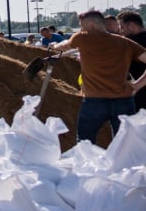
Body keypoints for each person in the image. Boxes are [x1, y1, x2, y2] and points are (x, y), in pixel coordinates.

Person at [51, 10, 146, 144]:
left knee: (85, 143)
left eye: (82, 26)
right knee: (124, 144)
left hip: (95, 101)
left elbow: (63, 46)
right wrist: (137, 85)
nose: (81, 29)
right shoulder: (125, 42)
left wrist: (54, 45)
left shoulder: (82, 38)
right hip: (123, 100)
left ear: (91, 25)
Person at [118, 11, 146, 111]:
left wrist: (136, 86)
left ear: (132, 26)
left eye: (122, 28)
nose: (121, 32)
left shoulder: (133, 44)